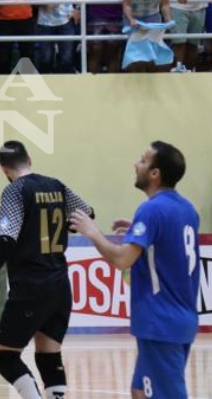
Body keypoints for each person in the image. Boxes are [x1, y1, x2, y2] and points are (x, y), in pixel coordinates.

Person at [69, 141, 200, 399]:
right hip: (181, 318)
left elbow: (122, 259)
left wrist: (92, 233)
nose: (135, 163)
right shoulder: (187, 209)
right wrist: (141, 227)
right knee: (139, 390)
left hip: (159, 321)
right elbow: (169, 241)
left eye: (142, 160)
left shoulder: (151, 210)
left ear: (155, 173)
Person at [0, 140, 94, 399]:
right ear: (29, 159)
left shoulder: (15, 191)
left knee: (5, 358)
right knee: (49, 355)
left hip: (30, 286)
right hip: (60, 285)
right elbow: (87, 213)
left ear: (3, 169)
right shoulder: (56, 185)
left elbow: (5, 241)